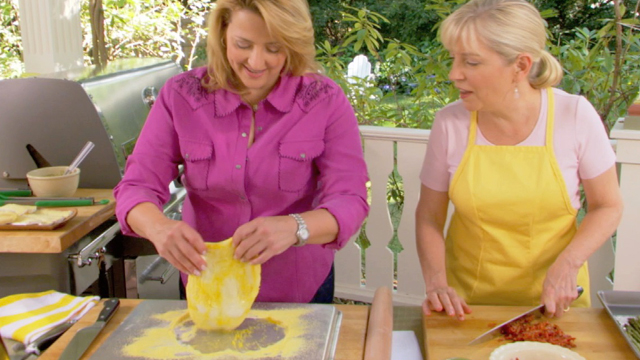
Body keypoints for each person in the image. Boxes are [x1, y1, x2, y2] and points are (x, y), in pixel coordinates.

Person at [114, 0, 369, 303]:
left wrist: (295, 227)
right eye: (243, 45)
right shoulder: (180, 95)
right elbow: (136, 187)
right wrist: (159, 229)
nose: (257, 62)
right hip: (207, 281)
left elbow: (350, 199)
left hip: (298, 286)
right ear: (222, 34)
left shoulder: (324, 100)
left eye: (274, 48)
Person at [415, 0, 623, 320]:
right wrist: (436, 284)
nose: (454, 74)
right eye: (453, 59)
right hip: (467, 309)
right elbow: (429, 216)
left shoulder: (575, 116)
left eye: (471, 62)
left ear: (521, 66)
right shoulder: (449, 123)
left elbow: (608, 206)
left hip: (555, 305)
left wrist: (568, 264)